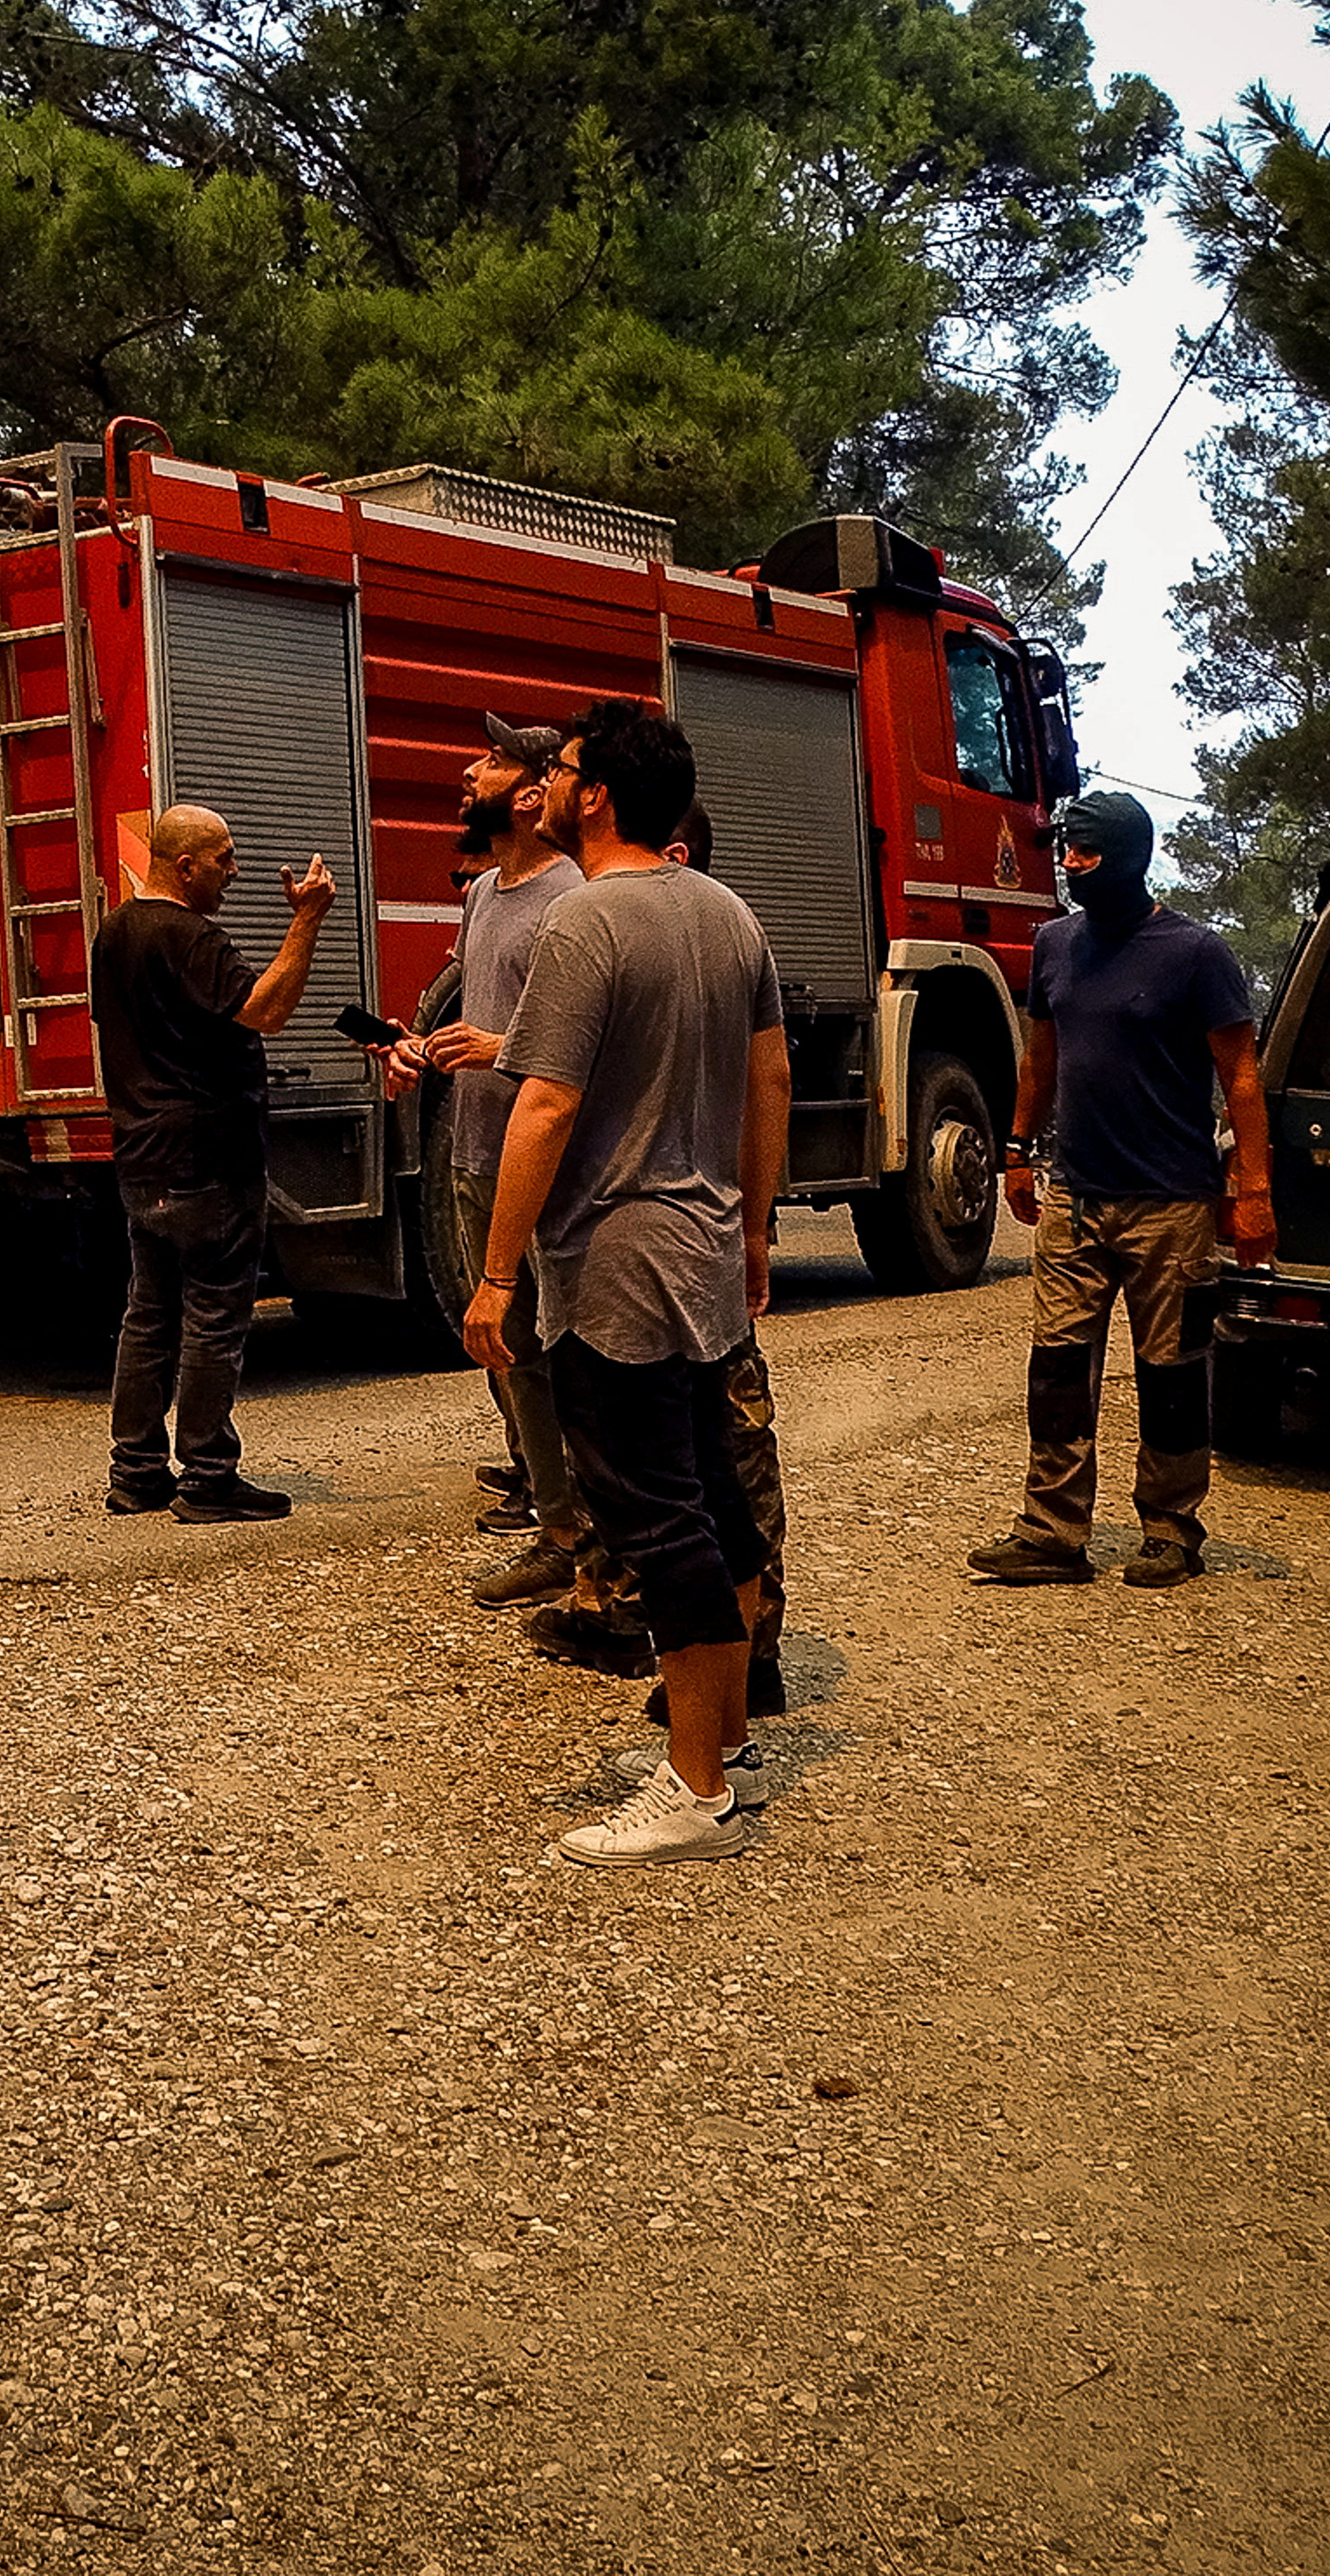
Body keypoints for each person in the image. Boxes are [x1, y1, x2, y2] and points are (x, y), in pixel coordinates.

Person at [469, 697, 789, 1868]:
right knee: (717, 1494)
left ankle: (694, 1791)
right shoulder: (730, 914)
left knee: (659, 1520)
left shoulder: (586, 925)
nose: (538, 784)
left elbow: (544, 1104)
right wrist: (753, 1231)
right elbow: (769, 1086)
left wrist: (496, 1273)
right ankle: (733, 1744)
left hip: (616, 1266)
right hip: (704, 1255)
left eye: (556, 769)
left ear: (595, 793)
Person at [969, 789, 1275, 1590]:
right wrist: (1014, 1153)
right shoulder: (1054, 945)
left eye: (1085, 853)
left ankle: (1170, 1530)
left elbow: (1239, 1076)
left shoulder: (1196, 953)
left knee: (1172, 1374)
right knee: (1057, 1370)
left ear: (1129, 854)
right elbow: (1040, 1057)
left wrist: (1253, 1189)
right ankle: (1051, 1533)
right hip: (1073, 1195)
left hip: (1170, 1202)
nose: (1069, 865)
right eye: (1064, 851)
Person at [383, 716, 585, 1602]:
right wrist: (414, 1049)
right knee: (505, 1353)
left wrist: (493, 1045)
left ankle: (582, 1536)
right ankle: (556, 1522)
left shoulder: (571, 900)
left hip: (539, 1161)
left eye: (495, 761)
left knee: (554, 1354)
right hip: (470, 1154)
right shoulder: (484, 895)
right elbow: (463, 1016)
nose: (470, 770)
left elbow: (577, 1051)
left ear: (535, 791)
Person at [92, 804, 337, 1523]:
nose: (234, 872)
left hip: (141, 1153)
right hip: (208, 1157)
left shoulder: (114, 932)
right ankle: (207, 1474)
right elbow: (264, 1009)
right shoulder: (191, 935)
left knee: (148, 1312)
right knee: (213, 1316)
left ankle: (134, 1470)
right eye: (224, 858)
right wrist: (306, 922)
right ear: (185, 864)